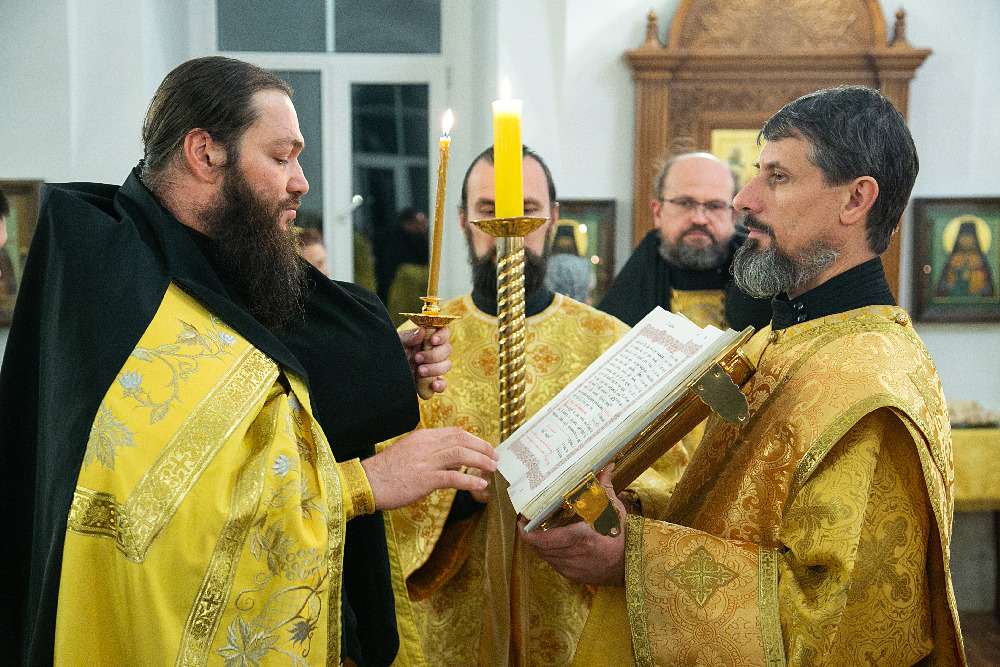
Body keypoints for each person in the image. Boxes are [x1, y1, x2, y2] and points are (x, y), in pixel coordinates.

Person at [0, 56, 500, 667]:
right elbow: (156, 519)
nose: (302, 182)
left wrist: (383, 365)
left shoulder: (207, 256)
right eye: (281, 156)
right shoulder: (116, 287)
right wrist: (365, 484)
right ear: (205, 153)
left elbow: (259, 389)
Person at [522, 86, 965, 665]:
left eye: (777, 177)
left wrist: (633, 560)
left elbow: (838, 629)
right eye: (757, 174)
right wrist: (623, 512)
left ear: (856, 199)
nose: (744, 200)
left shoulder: (873, 390)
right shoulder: (779, 340)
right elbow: (723, 507)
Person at [387, 145, 681, 666]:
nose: (508, 231)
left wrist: (595, 503)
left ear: (554, 218)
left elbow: (668, 480)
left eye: (527, 210)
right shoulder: (415, 347)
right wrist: (459, 494)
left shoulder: (611, 344)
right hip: (450, 622)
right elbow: (376, 488)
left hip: (574, 617)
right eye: (488, 211)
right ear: (463, 221)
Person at [598, 151, 770, 331]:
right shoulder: (631, 287)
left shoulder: (766, 278)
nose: (699, 219)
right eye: (684, 203)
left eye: (715, 206)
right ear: (657, 212)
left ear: (733, 216)